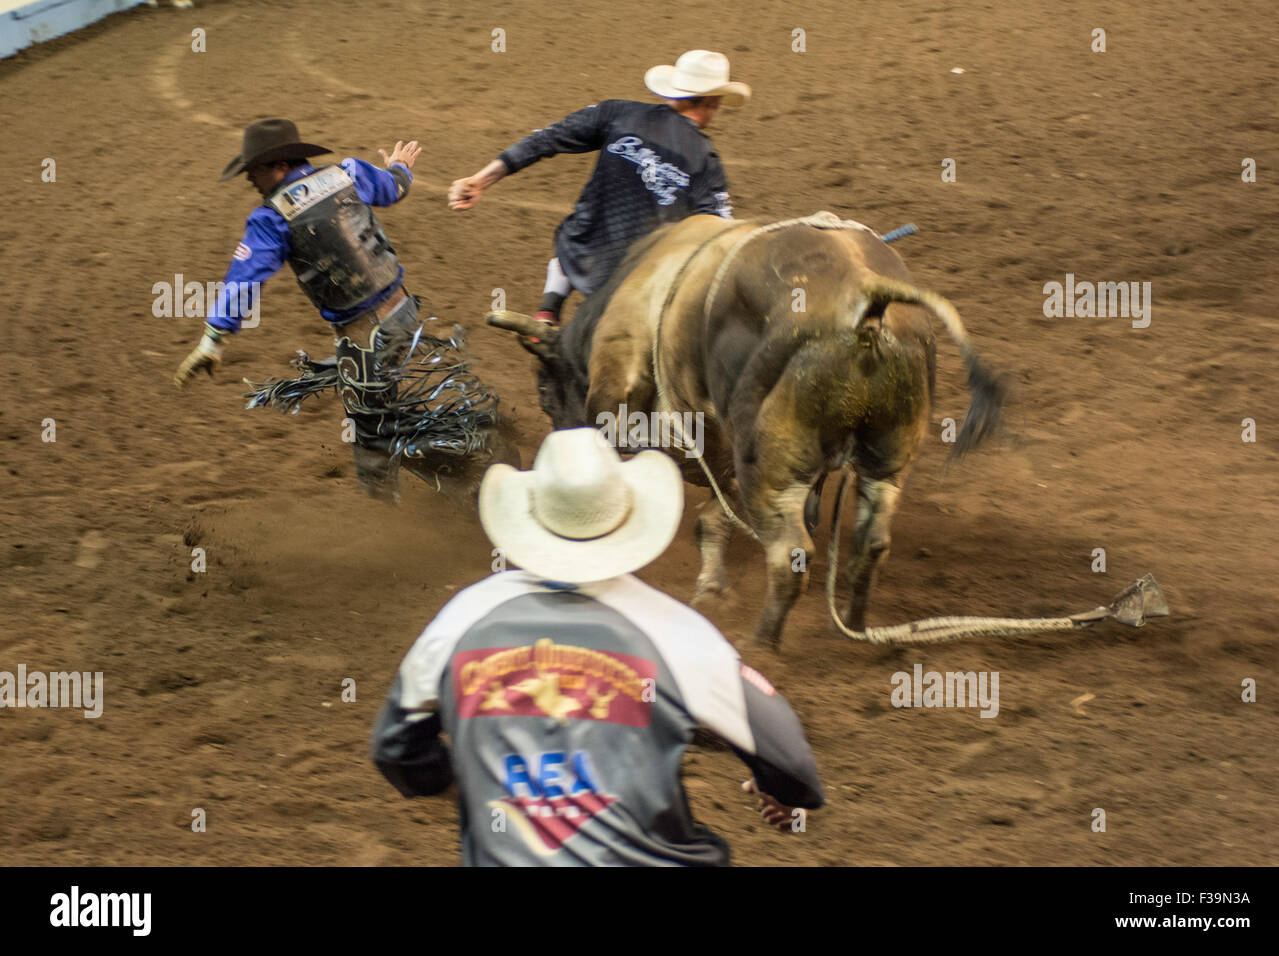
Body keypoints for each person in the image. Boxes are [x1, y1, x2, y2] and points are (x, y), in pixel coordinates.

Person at [371, 427, 824, 866]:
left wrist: (467, 787)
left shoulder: (462, 618)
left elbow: (396, 749)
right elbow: (793, 760)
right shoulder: (676, 632)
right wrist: (781, 791)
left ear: (531, 516)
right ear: (628, 517)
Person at [173, 118, 491, 502]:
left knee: (374, 433)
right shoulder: (349, 173)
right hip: (405, 313)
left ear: (279, 166)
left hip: (364, 336)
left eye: (253, 169)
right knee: (382, 411)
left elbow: (245, 279)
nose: (249, 179)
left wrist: (213, 339)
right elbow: (394, 188)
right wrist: (400, 166)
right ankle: (462, 458)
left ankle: (459, 486)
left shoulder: (272, 218)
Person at [448, 50, 749, 327]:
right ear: (712, 101)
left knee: (577, 228)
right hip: (643, 282)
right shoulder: (705, 160)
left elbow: (546, 139)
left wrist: (481, 180)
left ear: (677, 91)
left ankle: (548, 309)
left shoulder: (617, 113)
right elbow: (719, 230)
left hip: (587, 250)